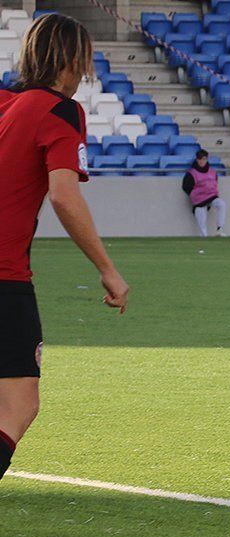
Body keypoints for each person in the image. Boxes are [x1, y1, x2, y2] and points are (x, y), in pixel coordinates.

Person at [0, 13, 130, 481]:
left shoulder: (5, 103)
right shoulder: (61, 111)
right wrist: (107, 269)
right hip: (4, 276)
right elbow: (63, 194)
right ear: (73, 59)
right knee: (18, 404)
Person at [182, 149, 227, 237]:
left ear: (207, 159)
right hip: (199, 201)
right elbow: (186, 187)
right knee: (201, 220)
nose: (202, 161)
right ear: (197, 159)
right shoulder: (191, 173)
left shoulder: (212, 172)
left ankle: (219, 229)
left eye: (204, 159)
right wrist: (195, 195)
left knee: (221, 204)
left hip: (212, 196)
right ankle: (204, 237)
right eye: (200, 159)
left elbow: (215, 182)